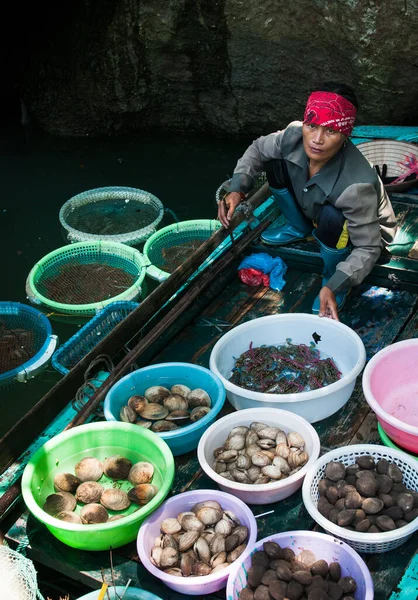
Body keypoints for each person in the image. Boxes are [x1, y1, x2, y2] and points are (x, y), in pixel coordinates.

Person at [218, 82, 397, 321]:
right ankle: (299, 227)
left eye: (330, 131)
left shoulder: (357, 187)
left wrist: (334, 285)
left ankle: (333, 278)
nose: (317, 139)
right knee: (274, 162)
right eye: (312, 126)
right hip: (314, 209)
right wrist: (237, 189)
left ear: (345, 134)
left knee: (334, 217)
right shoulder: (292, 135)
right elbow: (257, 150)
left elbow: (368, 247)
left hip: (362, 233)